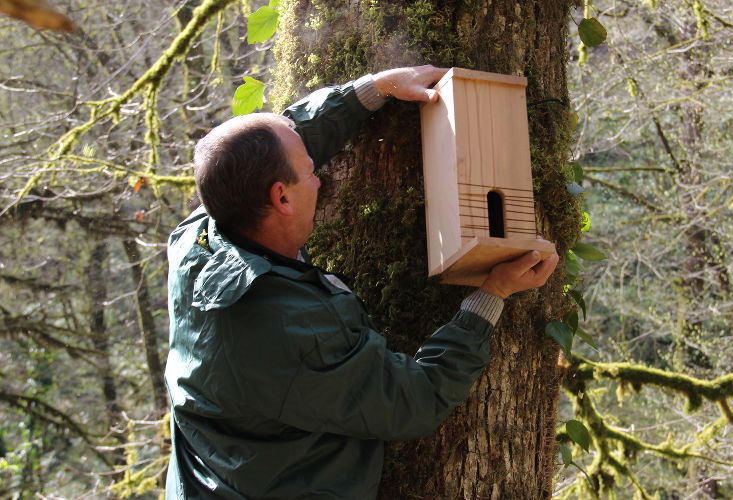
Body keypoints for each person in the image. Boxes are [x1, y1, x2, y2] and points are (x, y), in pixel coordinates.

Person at [164, 65, 559, 500]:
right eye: (311, 171)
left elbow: (275, 145)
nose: (321, 178)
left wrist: (372, 88)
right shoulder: (290, 330)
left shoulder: (197, 240)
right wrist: (492, 294)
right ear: (280, 198)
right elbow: (416, 399)